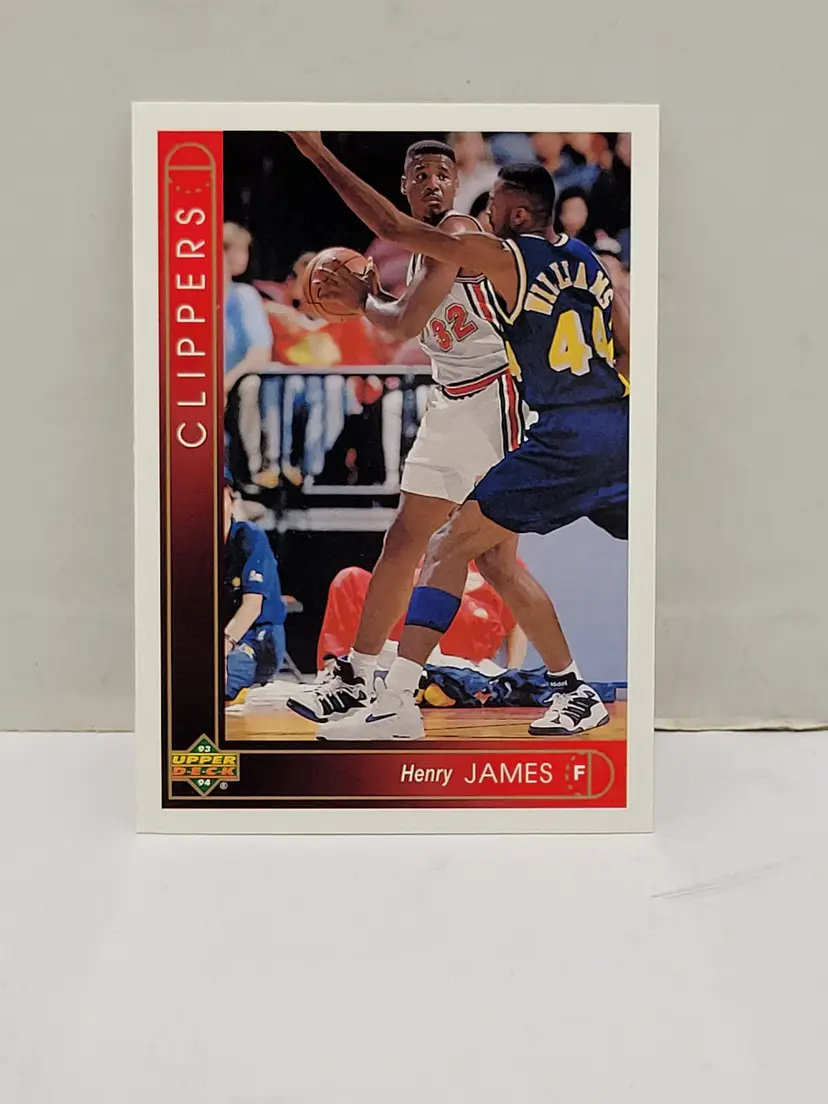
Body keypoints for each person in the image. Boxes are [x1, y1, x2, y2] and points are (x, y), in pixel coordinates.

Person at [287, 132, 630, 740]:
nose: (434, 184)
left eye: (445, 175)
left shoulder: (463, 236)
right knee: (414, 540)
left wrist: (317, 156)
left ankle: (399, 698)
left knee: (468, 552)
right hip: (463, 399)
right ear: (404, 183)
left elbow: (401, 312)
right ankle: (362, 674)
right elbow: (625, 345)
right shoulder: (569, 259)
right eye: (420, 174)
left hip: (499, 400)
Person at [317, 559, 528, 672]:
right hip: (412, 624)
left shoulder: (500, 560)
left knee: (443, 600)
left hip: (468, 628)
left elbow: (519, 623)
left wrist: (513, 673)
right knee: (350, 578)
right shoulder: (422, 546)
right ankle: (338, 670)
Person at [223, 469, 287, 704]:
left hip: (258, 637)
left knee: (212, 680)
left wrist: (221, 648)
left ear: (231, 498)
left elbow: (252, 607)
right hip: (220, 639)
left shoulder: (250, 537)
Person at [223, 223, 276, 490]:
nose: (246, 257)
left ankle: (255, 470)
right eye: (242, 249)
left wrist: (225, 383)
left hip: (232, 383)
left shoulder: (245, 296)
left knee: (251, 385)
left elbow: (259, 354)